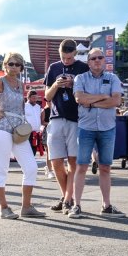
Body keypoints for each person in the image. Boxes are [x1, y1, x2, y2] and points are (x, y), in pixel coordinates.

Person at [0, 54, 44, 219]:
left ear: (21, 68)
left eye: (17, 64)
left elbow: (20, 108)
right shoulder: (1, 81)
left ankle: (26, 207)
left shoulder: (21, 84)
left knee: (31, 167)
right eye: (11, 64)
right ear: (5, 65)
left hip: (18, 130)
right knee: (2, 168)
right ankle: (4, 208)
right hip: (2, 128)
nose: (14, 67)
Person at [67, 48, 126, 219]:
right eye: (93, 58)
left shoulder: (113, 78)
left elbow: (116, 101)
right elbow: (79, 99)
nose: (97, 60)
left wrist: (92, 102)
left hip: (107, 127)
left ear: (105, 60)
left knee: (105, 167)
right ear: (88, 62)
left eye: (100, 57)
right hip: (86, 128)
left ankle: (106, 206)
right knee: (81, 166)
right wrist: (103, 96)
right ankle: (77, 205)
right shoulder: (80, 78)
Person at [42, 39, 89, 213]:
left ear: (75, 54)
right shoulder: (54, 67)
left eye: (69, 58)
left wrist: (73, 84)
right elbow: (47, 96)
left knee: (73, 161)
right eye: (63, 58)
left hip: (77, 118)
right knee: (55, 161)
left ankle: (68, 199)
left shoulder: (83, 68)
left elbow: (88, 93)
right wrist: (56, 84)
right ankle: (66, 197)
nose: (66, 61)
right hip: (56, 117)